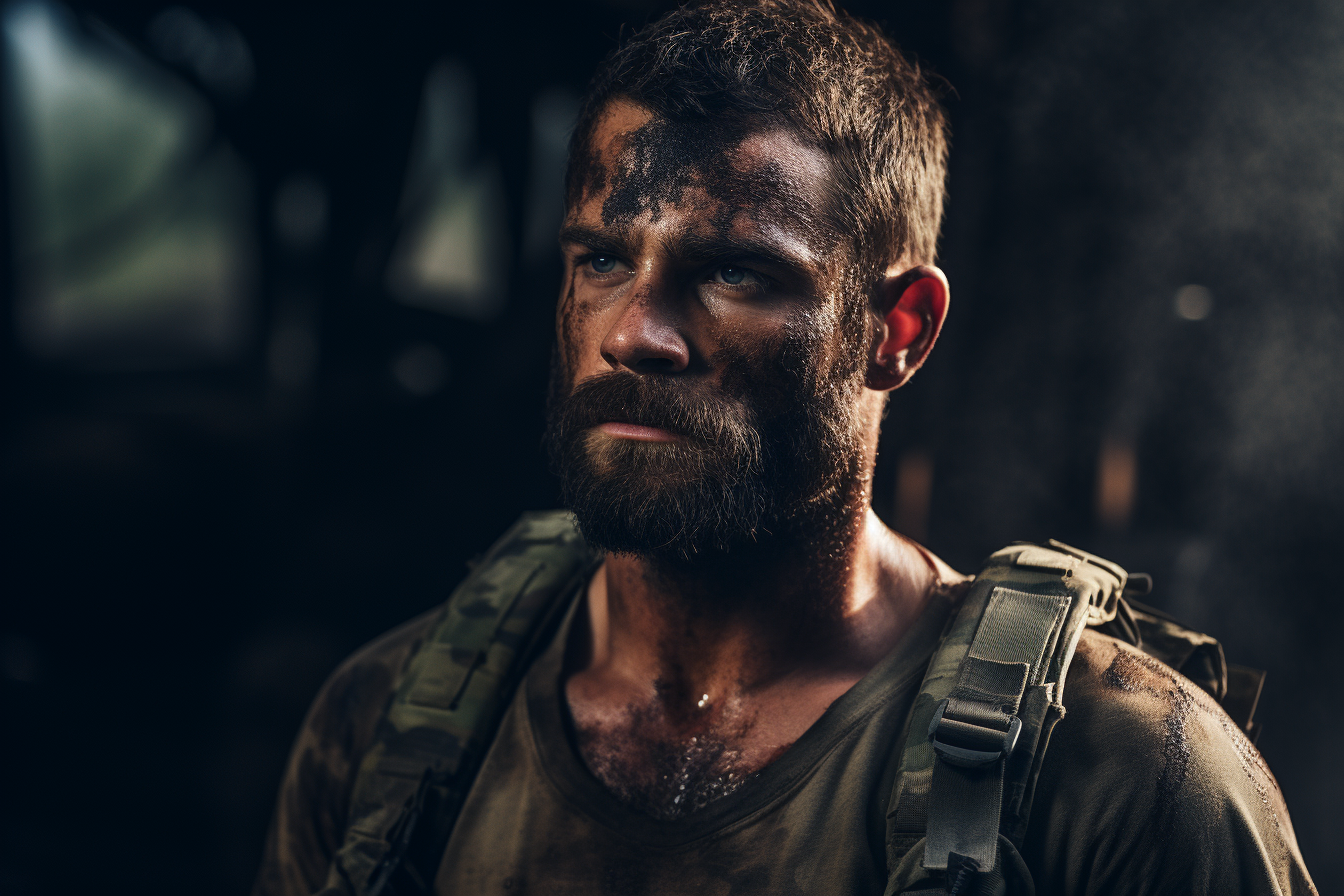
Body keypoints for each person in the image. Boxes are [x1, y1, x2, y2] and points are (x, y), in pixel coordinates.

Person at [254, 2, 1317, 894]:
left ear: (896, 331)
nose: (635, 332)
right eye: (603, 259)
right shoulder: (389, 736)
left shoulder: (1122, 776)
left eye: (736, 273)